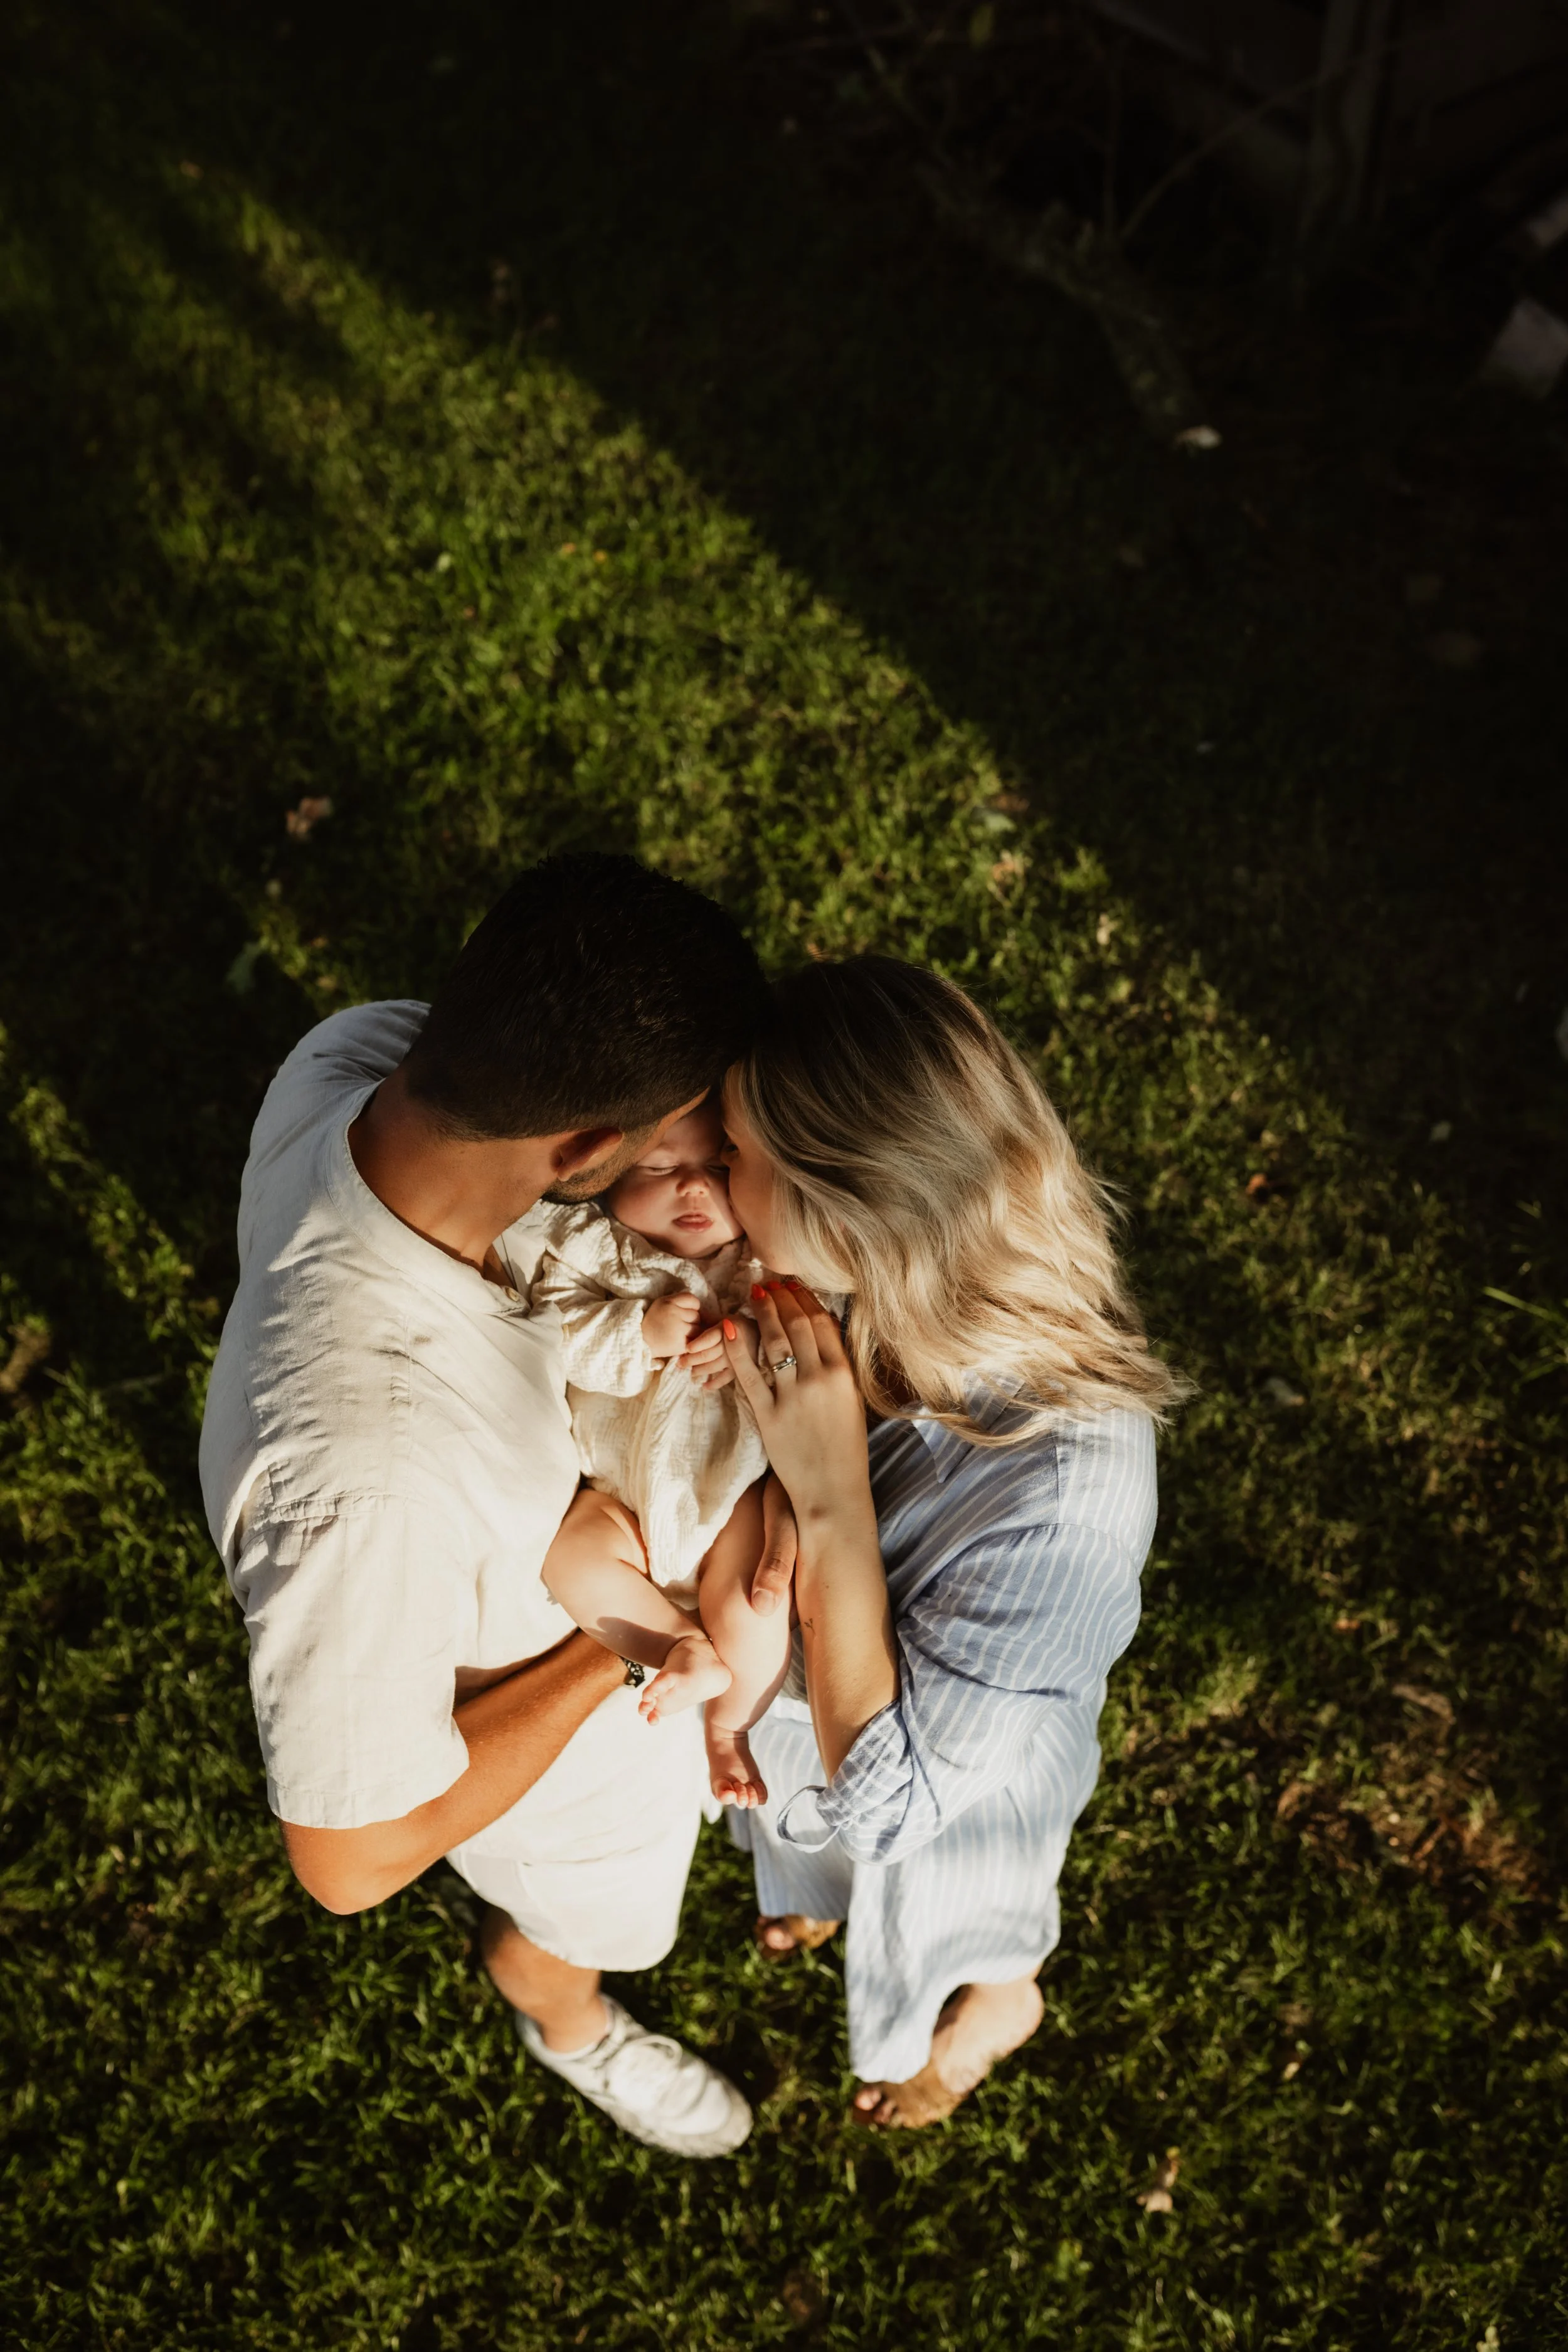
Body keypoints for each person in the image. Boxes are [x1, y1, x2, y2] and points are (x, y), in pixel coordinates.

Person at [198, 853, 775, 2158]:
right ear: (580, 1149)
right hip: (562, 1782)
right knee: (592, 1933)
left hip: (615, 1638)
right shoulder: (358, 1483)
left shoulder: (363, 1058)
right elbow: (349, 1863)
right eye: (682, 1142)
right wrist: (609, 1649)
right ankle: (565, 2024)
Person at [714, 956, 1184, 2128]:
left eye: (733, 1158)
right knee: (813, 1827)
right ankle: (815, 1894)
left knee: (965, 1904)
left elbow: (892, 1800)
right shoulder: (876, 1286)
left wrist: (830, 1498)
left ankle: (990, 2014)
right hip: (820, 1708)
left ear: (845, 1203)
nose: (712, 1183)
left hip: (966, 1793)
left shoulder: (1066, 1500)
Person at [529, 1098, 795, 1807]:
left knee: (757, 1604)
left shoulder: (763, 1263)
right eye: (660, 1166)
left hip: (727, 1498)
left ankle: (728, 1729)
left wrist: (748, 1335)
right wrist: (635, 1334)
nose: (695, 1186)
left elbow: (808, 1336)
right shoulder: (588, 1254)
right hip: (621, 1501)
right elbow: (553, 1336)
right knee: (570, 1559)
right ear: (609, 1177)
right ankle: (682, 1647)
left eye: (716, 1166)